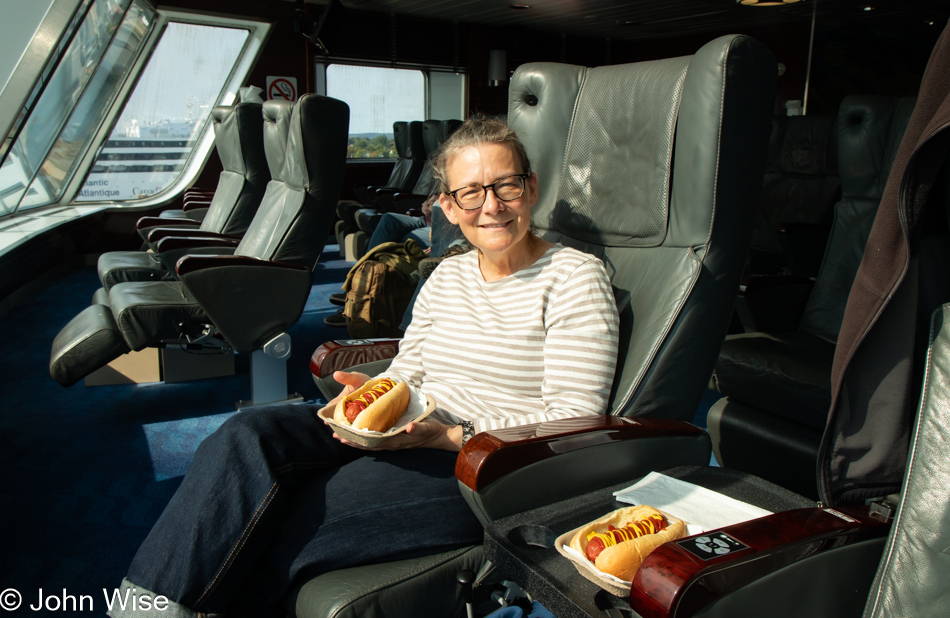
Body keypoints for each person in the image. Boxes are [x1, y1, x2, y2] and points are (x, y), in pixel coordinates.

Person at [110, 116, 620, 617]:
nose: (491, 206)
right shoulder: (448, 275)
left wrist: (446, 436)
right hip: (408, 427)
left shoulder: (574, 277)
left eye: (505, 185)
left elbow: (575, 421)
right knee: (246, 434)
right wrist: (374, 394)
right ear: (447, 205)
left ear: (530, 188)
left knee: (289, 523)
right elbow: (410, 369)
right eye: (471, 192)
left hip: (482, 465)